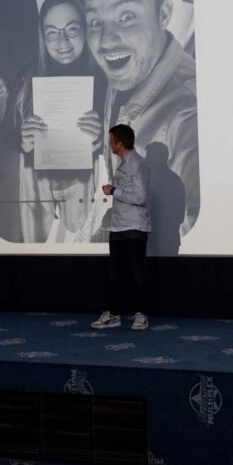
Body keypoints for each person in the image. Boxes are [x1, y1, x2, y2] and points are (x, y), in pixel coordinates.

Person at [80, 0, 199, 237]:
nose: (106, 41)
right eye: (95, 22)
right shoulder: (124, 75)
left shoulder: (189, 113)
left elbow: (196, 235)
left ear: (163, 14)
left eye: (127, 17)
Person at [5, 0, 105, 242]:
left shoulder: (106, 78)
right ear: (43, 36)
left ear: (85, 29)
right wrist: (22, 139)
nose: (62, 42)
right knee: (41, 257)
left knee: (88, 247)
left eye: (72, 30)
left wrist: (103, 138)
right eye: (52, 32)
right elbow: (7, 131)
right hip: (37, 184)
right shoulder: (26, 77)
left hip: (89, 185)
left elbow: (130, 136)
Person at [92, 124, 151, 330]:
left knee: (137, 272)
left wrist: (113, 191)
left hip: (134, 226)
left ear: (119, 142)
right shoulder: (122, 162)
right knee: (115, 273)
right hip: (118, 226)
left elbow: (140, 197)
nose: (110, 145)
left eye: (112, 141)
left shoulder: (137, 164)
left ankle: (141, 314)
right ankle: (113, 314)